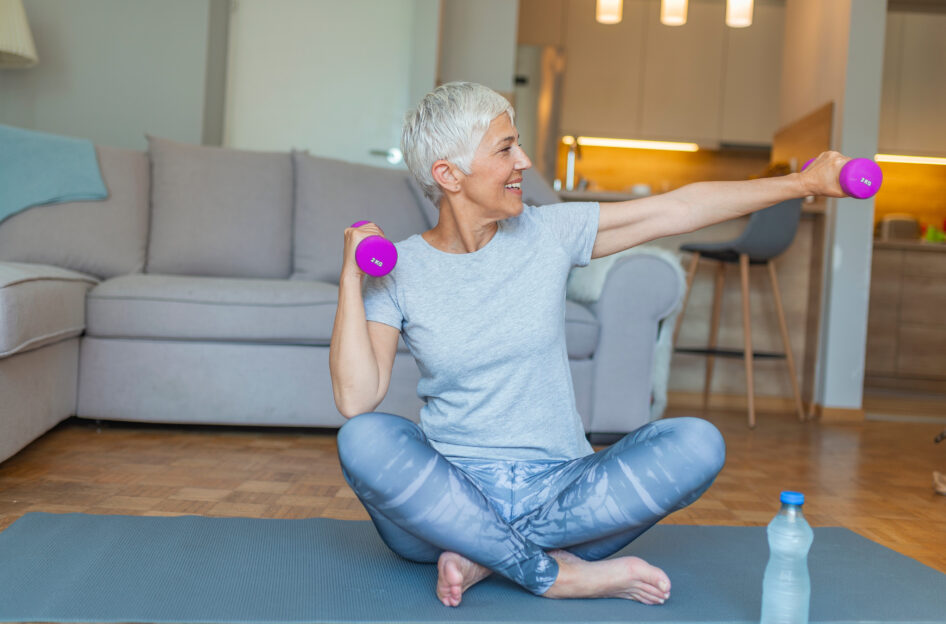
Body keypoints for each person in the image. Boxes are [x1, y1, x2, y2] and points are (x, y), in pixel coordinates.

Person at [329, 82, 850, 607]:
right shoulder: (400, 269)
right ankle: (552, 572)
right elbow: (357, 399)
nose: (525, 161)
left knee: (697, 443)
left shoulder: (549, 232)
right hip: (447, 499)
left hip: (563, 490)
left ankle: (485, 555)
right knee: (363, 439)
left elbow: (680, 209)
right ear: (449, 175)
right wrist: (352, 279)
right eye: (506, 148)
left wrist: (801, 181)